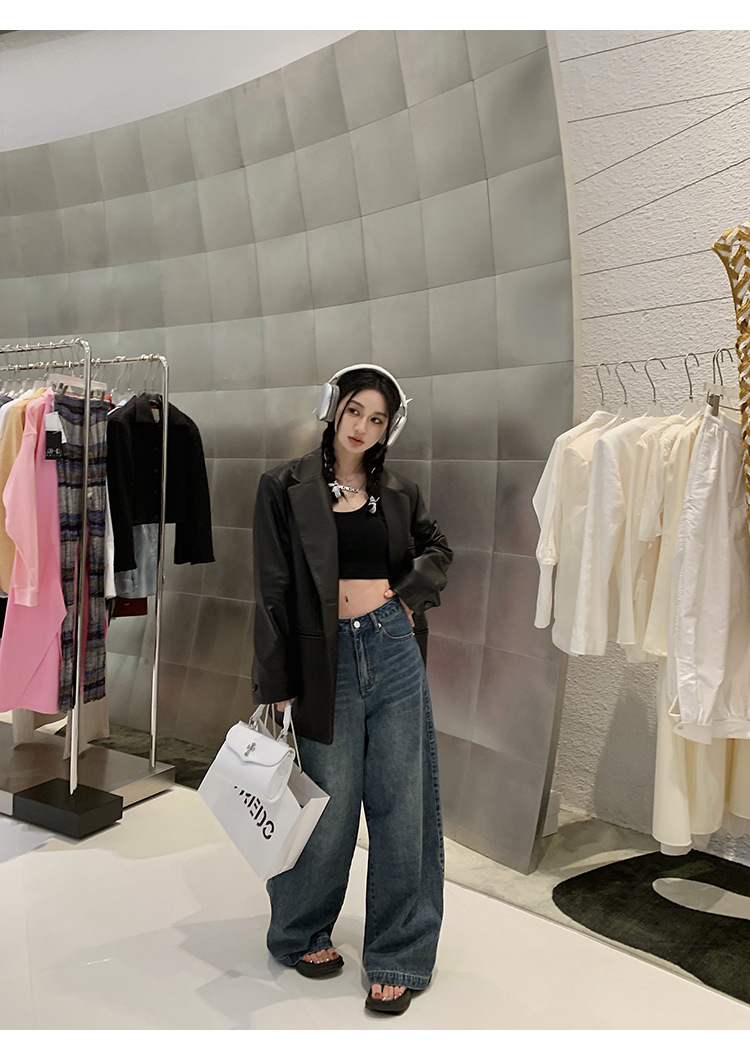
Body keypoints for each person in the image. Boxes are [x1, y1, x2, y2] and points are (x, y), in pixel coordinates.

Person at [251, 364, 452, 1016]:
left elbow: (437, 549)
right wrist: (277, 680)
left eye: (378, 418)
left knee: (403, 805)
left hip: (392, 650)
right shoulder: (283, 486)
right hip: (324, 661)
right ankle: (300, 930)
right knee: (327, 807)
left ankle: (399, 952)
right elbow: (273, 587)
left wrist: (407, 597)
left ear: (390, 427)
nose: (363, 427)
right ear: (333, 409)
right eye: (355, 411)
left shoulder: (398, 491)